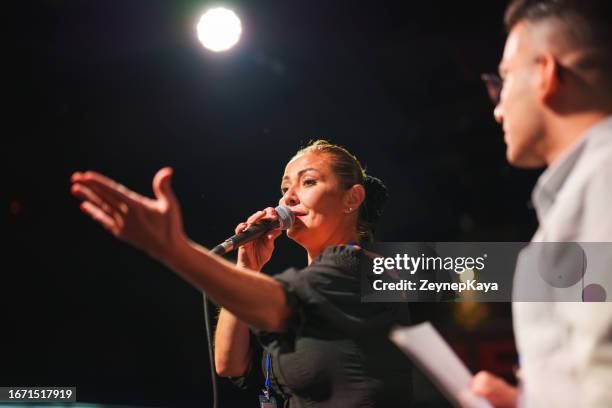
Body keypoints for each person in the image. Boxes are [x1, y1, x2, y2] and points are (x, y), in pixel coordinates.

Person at [70, 140, 413, 407]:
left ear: (351, 198)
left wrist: (174, 249)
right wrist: (247, 266)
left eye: (308, 182)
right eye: (284, 188)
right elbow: (230, 364)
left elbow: (276, 305)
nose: (289, 197)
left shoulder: (364, 268)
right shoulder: (307, 283)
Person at [472, 0, 612, 407]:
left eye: (504, 78)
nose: (497, 109)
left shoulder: (603, 178)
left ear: (546, 73)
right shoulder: (581, 190)